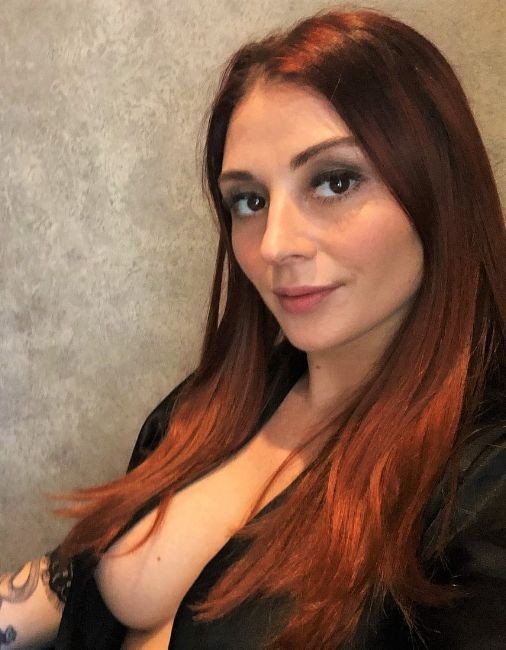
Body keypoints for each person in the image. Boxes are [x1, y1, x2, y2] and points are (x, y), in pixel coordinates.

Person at [1, 7, 504, 649]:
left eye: (335, 181)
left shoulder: (482, 486)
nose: (274, 244)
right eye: (250, 199)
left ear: (439, 188)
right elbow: (77, 574)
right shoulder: (221, 399)